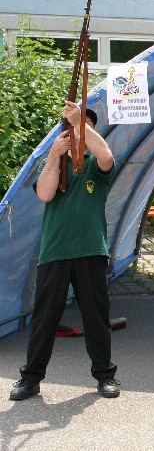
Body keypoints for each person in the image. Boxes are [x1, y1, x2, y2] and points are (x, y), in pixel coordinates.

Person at [10, 103, 120, 401]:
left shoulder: (95, 165)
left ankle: (105, 375)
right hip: (55, 252)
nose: (78, 132)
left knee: (96, 317)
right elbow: (45, 193)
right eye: (72, 127)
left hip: (90, 251)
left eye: (86, 127)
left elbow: (107, 156)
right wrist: (53, 156)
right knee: (44, 319)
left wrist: (80, 124)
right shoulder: (54, 163)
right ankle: (31, 379)